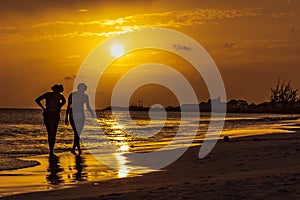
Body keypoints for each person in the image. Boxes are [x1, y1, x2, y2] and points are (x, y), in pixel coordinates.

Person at [35, 84, 66, 155]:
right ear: (53, 89)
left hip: (55, 114)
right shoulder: (48, 94)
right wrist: (43, 108)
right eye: (56, 89)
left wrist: (59, 107)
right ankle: (51, 149)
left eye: (58, 90)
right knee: (50, 132)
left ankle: (52, 149)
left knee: (54, 132)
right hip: (48, 114)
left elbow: (64, 101)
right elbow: (37, 100)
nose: (57, 91)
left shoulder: (60, 96)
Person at [65, 83, 94, 155]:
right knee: (76, 132)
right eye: (82, 88)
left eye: (84, 88)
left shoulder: (85, 96)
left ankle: (76, 149)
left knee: (78, 133)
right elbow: (68, 106)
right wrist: (66, 117)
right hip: (73, 114)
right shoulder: (72, 95)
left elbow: (88, 106)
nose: (83, 90)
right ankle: (76, 149)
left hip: (81, 114)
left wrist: (92, 113)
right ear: (79, 88)